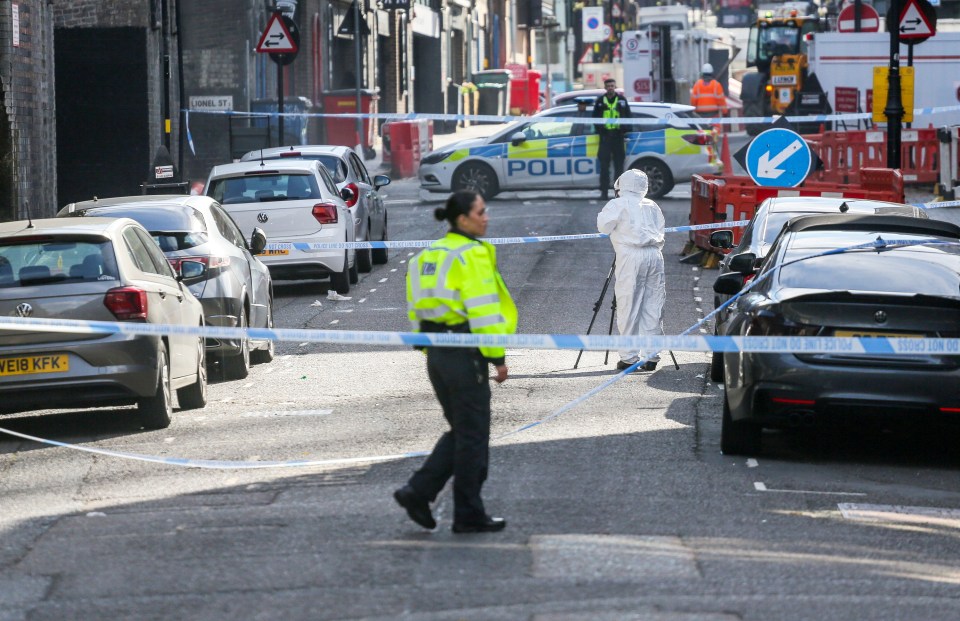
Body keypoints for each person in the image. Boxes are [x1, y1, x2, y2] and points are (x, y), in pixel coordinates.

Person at [394, 190, 518, 534]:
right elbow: (483, 311)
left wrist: (430, 351)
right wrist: (497, 358)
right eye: (480, 212)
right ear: (462, 219)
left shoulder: (426, 256)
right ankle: (466, 513)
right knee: (474, 437)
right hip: (465, 354)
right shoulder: (471, 255)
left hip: (437, 355)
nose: (486, 217)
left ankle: (418, 493)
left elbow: (414, 307)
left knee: (463, 431)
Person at [596, 169, 665, 372]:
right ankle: (652, 356)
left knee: (629, 304)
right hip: (654, 255)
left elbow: (603, 226)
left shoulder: (618, 204)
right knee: (654, 305)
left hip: (631, 256)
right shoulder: (652, 205)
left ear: (621, 185)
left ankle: (629, 358)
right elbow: (661, 228)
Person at [592, 78, 632, 200]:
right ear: (605, 87)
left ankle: (618, 194)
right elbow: (594, 119)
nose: (610, 88)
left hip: (618, 138)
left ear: (615, 87)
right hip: (605, 138)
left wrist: (624, 130)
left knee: (619, 167)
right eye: (608, 86)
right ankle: (604, 193)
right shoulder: (600, 101)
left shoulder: (621, 100)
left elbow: (628, 117)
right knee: (604, 167)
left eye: (612, 85)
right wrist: (601, 131)